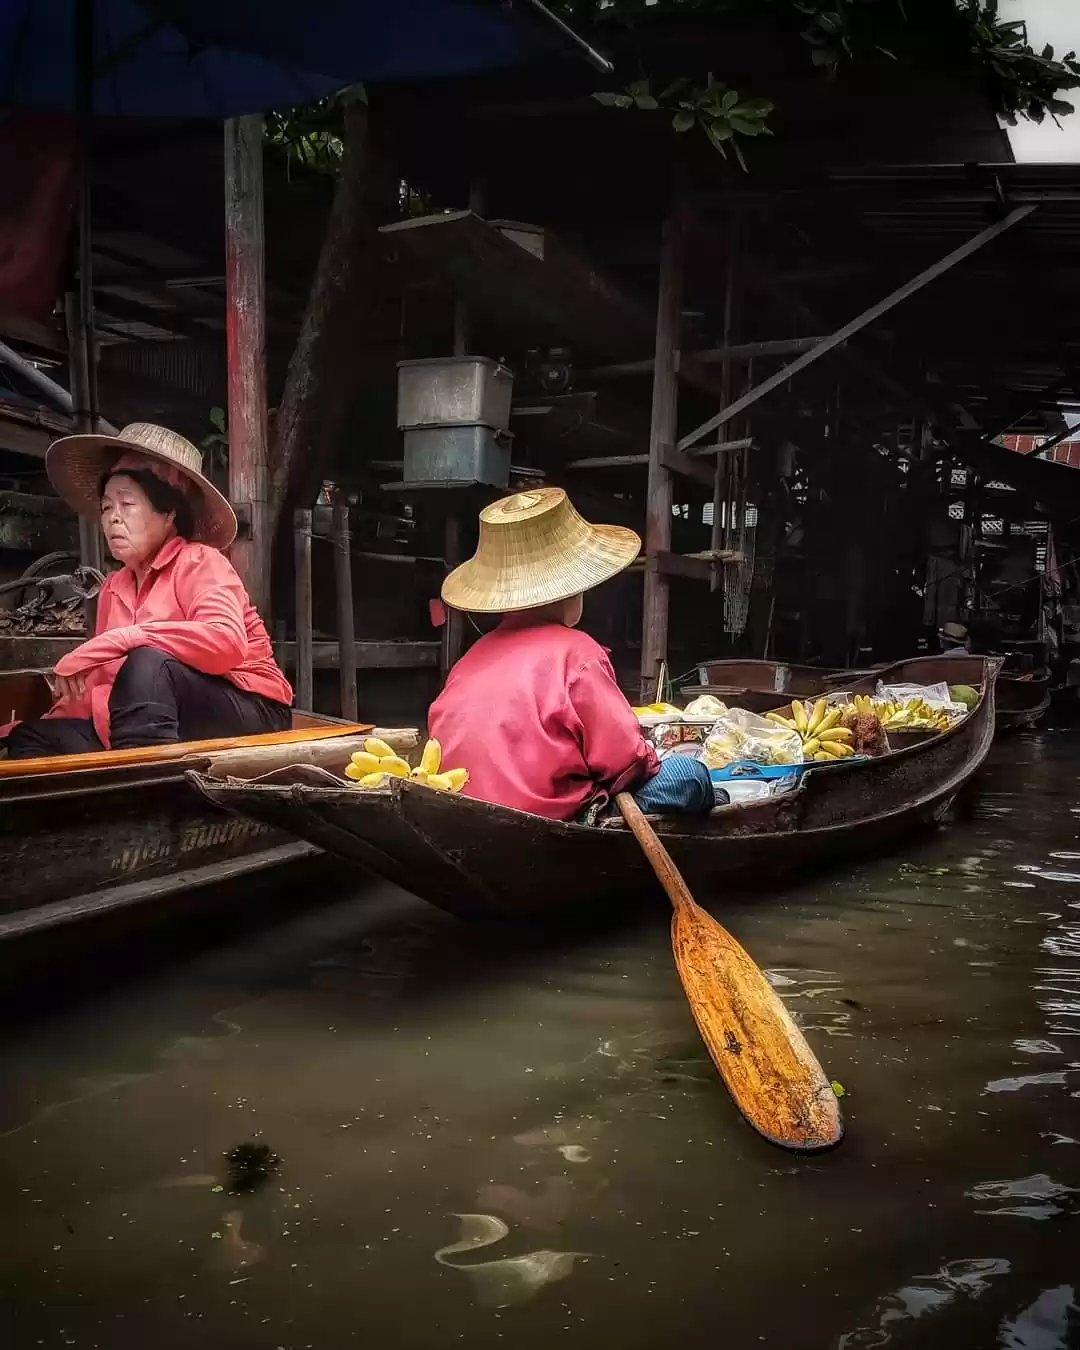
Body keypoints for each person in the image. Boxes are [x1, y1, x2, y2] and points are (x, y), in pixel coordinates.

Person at [4, 422, 292, 760]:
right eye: (107, 507)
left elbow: (225, 641)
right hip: (151, 718)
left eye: (127, 505)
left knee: (148, 664)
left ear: (168, 513)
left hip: (251, 707)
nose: (112, 519)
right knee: (30, 738)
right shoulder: (115, 586)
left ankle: (147, 792)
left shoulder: (200, 561)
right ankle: (127, 775)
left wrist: (125, 638)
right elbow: (102, 683)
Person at [428, 487, 714, 822]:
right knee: (689, 775)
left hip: (463, 810)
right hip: (550, 817)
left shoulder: (471, 658)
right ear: (573, 591)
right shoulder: (578, 652)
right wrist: (651, 755)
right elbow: (625, 761)